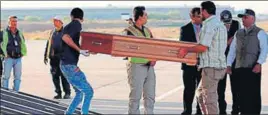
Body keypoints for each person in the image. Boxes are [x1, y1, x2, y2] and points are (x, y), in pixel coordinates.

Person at [177, 1, 227, 114]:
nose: (200, 15)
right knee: (200, 94)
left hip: (211, 67)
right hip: (217, 66)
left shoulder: (208, 25)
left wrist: (187, 49)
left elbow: (203, 47)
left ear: (204, 11)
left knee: (209, 99)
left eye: (201, 12)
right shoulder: (220, 25)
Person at [227, 9, 268, 114]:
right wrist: (228, 65)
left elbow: (264, 50)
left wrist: (259, 63)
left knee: (252, 94)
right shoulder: (238, 33)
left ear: (252, 19)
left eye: (245, 17)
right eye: (242, 17)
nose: (243, 19)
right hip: (239, 68)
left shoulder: (260, 32)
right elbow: (232, 49)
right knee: (240, 94)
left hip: (253, 68)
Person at [122, 6, 156, 114]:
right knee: (135, 96)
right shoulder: (128, 31)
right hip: (136, 66)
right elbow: (127, 48)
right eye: (145, 15)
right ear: (140, 16)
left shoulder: (147, 30)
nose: (147, 17)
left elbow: (154, 46)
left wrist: (154, 58)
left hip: (149, 67)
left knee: (150, 95)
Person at [60, 7, 94, 114]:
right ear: (82, 18)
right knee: (88, 92)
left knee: (79, 93)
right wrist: (79, 50)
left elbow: (72, 42)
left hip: (66, 65)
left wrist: (85, 50)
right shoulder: (76, 24)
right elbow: (65, 37)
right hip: (69, 65)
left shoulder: (70, 26)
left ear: (71, 16)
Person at [179, 7, 202, 115]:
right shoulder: (185, 29)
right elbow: (183, 46)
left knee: (201, 90)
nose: (200, 18)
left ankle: (199, 111)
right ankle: (187, 110)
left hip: (202, 64)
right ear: (191, 16)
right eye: (197, 16)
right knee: (189, 89)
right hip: (189, 65)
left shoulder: (206, 28)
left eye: (200, 16)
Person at [218, 10, 241, 114]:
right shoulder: (217, 27)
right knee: (220, 88)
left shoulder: (236, 24)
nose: (227, 25)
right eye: (225, 23)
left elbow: (239, 41)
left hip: (234, 61)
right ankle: (222, 110)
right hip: (221, 61)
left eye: (229, 22)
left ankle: (235, 110)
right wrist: (227, 42)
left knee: (235, 88)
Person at [44, 16, 71, 99]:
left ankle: (67, 93)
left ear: (61, 22)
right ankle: (58, 93)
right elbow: (48, 44)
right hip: (53, 58)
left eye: (56, 21)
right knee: (55, 76)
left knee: (64, 76)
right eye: (54, 21)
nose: (54, 23)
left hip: (63, 58)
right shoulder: (52, 32)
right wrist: (45, 55)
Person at [1, 16, 27, 92]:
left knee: (18, 77)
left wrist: (23, 53)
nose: (14, 23)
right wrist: (4, 54)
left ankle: (16, 92)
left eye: (15, 21)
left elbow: (22, 43)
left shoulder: (19, 32)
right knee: (6, 76)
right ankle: (5, 92)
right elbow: (1, 44)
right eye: (12, 21)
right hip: (8, 58)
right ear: (9, 22)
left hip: (18, 58)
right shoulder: (4, 32)